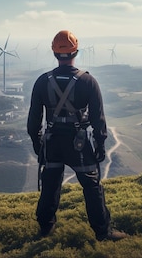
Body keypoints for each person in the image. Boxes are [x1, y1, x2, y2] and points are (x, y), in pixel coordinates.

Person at [27, 30, 127, 242]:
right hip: (78, 144)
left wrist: (38, 143)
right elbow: (98, 118)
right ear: (76, 52)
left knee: (50, 184)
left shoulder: (42, 81)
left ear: (54, 53)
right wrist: (100, 144)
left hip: (52, 142)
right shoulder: (88, 82)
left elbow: (34, 119)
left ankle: (46, 227)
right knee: (91, 187)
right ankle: (103, 232)